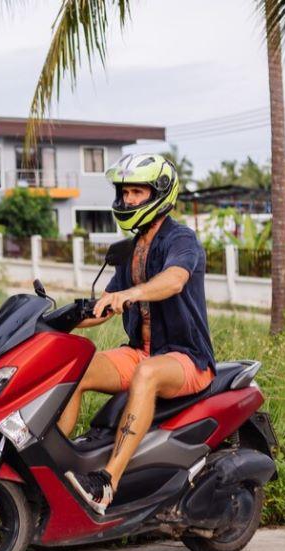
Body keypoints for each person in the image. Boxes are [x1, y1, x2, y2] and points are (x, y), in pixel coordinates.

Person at [59, 153, 216, 515]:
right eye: (125, 192)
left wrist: (131, 293)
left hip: (186, 357)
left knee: (147, 372)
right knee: (74, 365)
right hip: (140, 351)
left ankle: (106, 483)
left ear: (158, 193)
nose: (128, 200)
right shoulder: (133, 250)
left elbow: (174, 280)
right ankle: (53, 470)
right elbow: (106, 306)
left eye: (136, 192)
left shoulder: (181, 240)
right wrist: (56, 321)